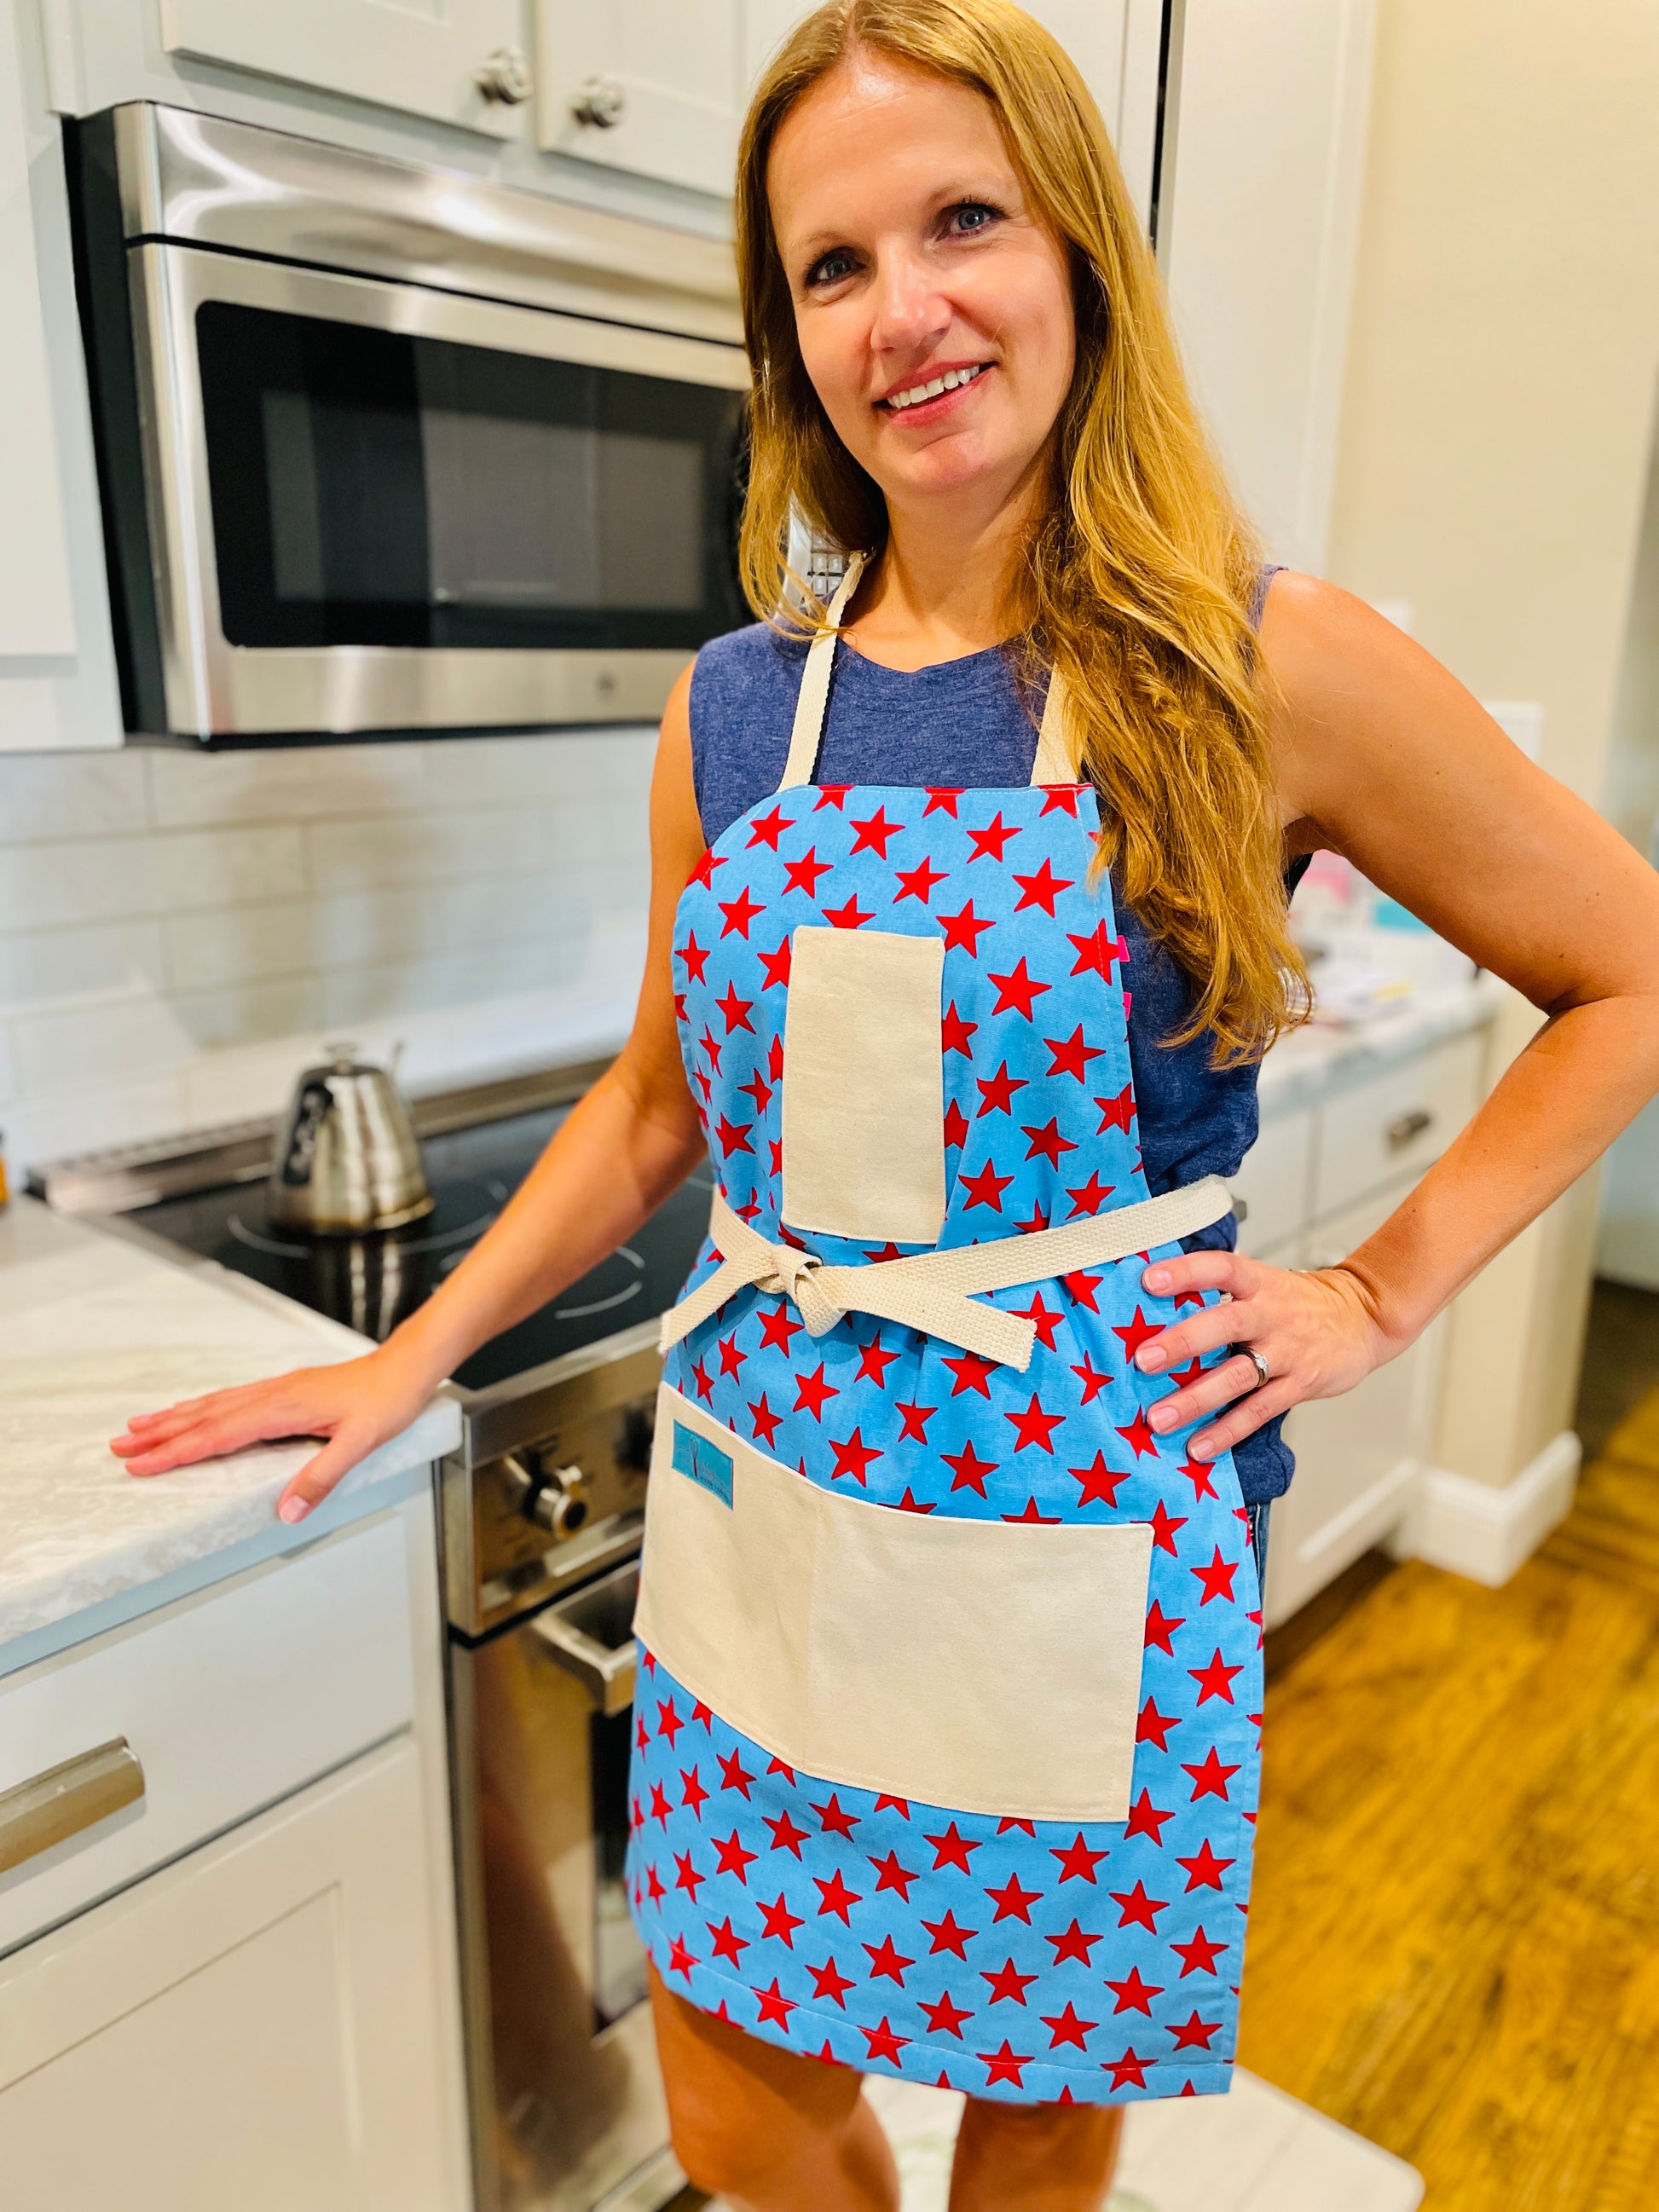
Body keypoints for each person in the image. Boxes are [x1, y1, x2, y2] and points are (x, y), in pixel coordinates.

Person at [113, 3, 1659, 2205]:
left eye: (959, 222)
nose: (901, 308)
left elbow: (1629, 968)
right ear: (787, 333)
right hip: (769, 1510)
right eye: (830, 266)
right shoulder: (738, 707)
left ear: (1077, 257)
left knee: (1026, 2138)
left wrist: (1379, 1286)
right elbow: (656, 1102)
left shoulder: (1252, 661)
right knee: (738, 2109)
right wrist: (406, 1358)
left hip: (1079, 1523)